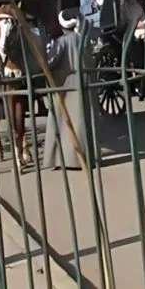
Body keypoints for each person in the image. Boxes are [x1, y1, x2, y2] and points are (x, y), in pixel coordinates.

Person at [43, 11, 94, 171]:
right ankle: (84, 158)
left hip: (64, 87)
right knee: (81, 122)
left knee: (61, 121)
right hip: (83, 85)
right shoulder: (83, 40)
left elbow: (49, 62)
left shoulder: (61, 42)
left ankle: (65, 160)